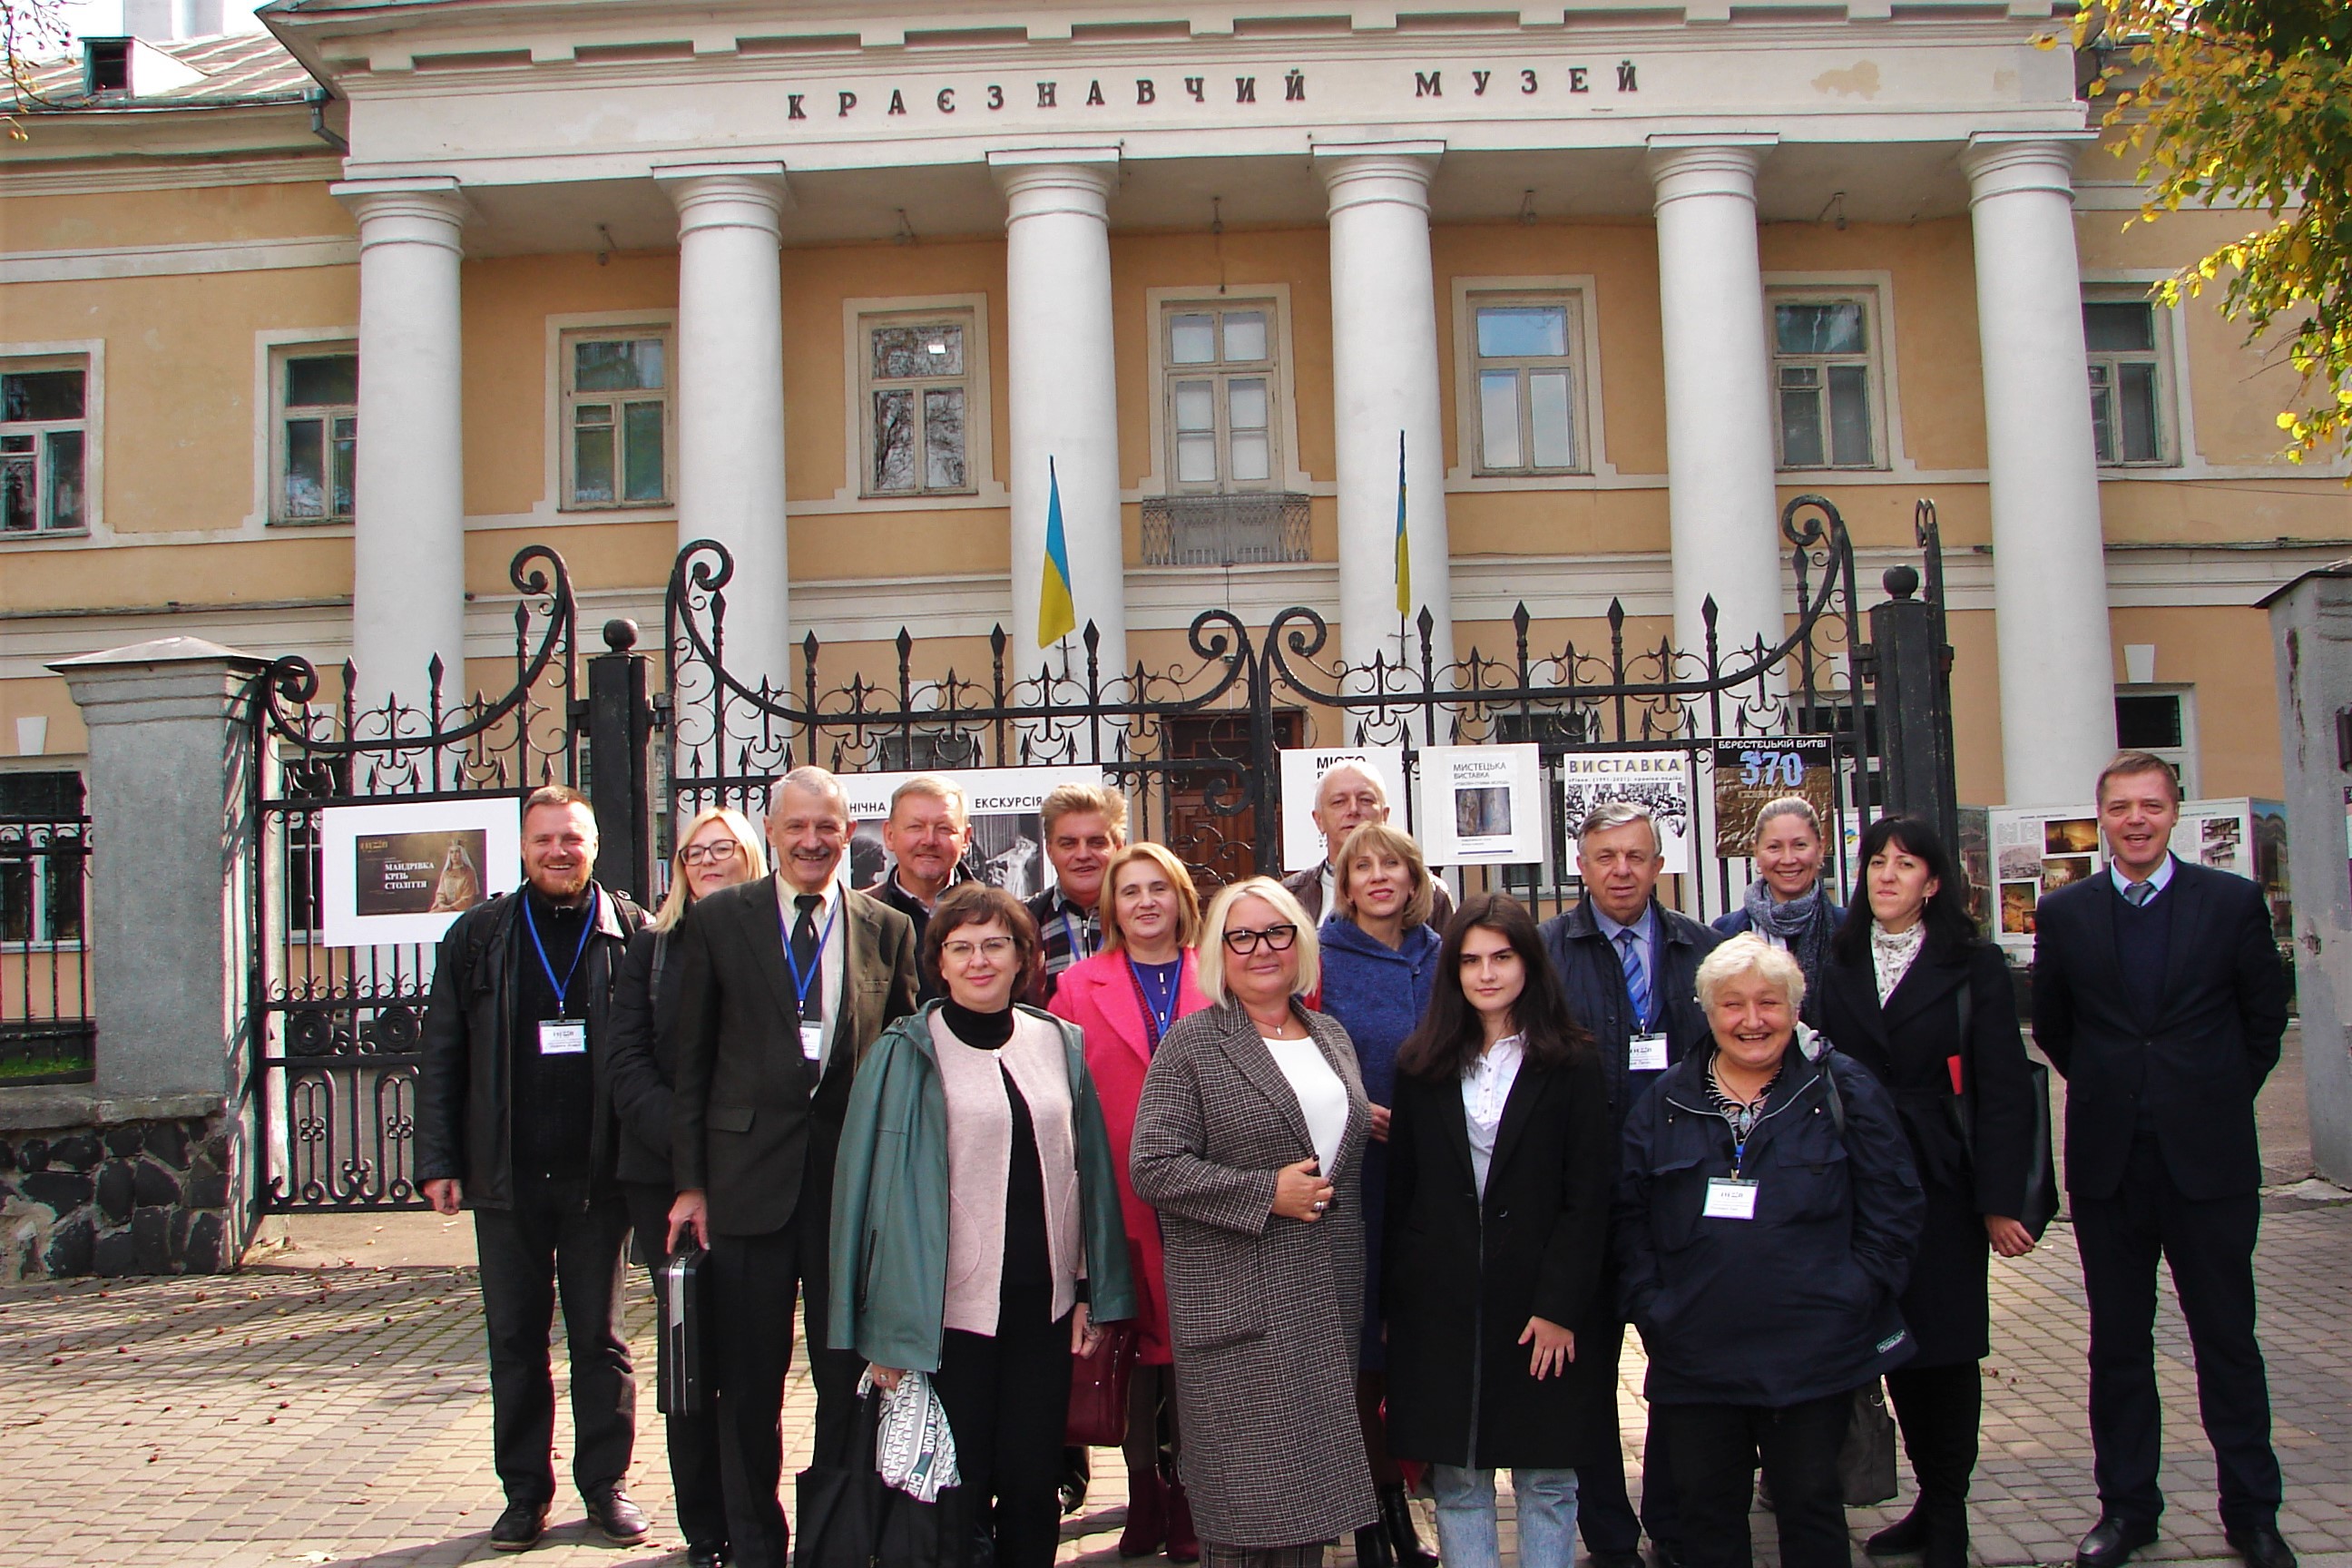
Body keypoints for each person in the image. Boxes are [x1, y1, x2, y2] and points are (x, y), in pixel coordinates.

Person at [2034, 752, 2295, 1568]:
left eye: (2151, 805)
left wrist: (2203, 1093)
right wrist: (2125, 1087)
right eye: (2120, 808)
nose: (2136, 820)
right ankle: (2127, 1508)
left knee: (2227, 1342)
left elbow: (2262, 1023)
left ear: (2175, 812)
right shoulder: (2067, 913)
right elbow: (2056, 1029)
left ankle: (2252, 1512)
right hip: (2112, 1164)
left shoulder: (2231, 902)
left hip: (2209, 1163)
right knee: (2117, 1346)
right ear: (2101, 817)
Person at [828, 883, 1137, 1568]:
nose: (978, 960)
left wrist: (1091, 1290)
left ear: (1024, 957)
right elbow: (862, 1197)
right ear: (938, 961)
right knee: (955, 1487)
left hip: (1043, 1305)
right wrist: (878, 1328)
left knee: (1032, 1485)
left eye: (995, 944)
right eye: (961, 947)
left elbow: (1089, 1173)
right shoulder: (902, 1053)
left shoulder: (1059, 1041)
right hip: (945, 1314)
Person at [666, 767, 920, 1568]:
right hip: (744, 1188)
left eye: (829, 827)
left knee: (848, 1374)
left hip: (850, 1193)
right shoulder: (720, 921)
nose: (813, 841)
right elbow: (689, 1061)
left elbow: (906, 1061)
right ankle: (753, 1540)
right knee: (747, 1386)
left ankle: (835, 1536)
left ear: (851, 833)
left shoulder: (887, 928)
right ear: (771, 832)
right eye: (797, 826)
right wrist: (691, 1182)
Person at [1616, 935, 1925, 1568]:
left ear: (1794, 1009)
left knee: (1811, 1511)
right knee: (1706, 1521)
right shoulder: (1666, 1104)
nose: (1752, 1021)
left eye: (1769, 1003)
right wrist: (1653, 1306)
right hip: (1697, 1358)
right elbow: (1626, 1217)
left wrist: (1856, 1296)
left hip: (1813, 1357)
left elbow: (1895, 1204)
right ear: (1708, 1011)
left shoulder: (1842, 1091)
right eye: (1733, 1005)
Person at [417, 784, 650, 1553]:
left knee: (602, 1342)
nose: (560, 852)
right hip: (505, 1177)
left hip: (598, 1180)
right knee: (514, 1343)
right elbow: (443, 1053)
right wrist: (439, 1160)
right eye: (545, 839)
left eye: (572, 840)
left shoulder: (632, 933)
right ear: (523, 847)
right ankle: (524, 1496)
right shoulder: (479, 935)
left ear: (594, 847)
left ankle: (605, 1487)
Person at [1131, 878, 1379, 1568]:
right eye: (1242, 936)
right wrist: (1264, 1191)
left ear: (1301, 942)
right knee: (1245, 1523)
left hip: (1323, 1303)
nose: (1262, 949)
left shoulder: (1330, 1035)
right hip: (1241, 1309)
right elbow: (1152, 1166)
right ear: (1219, 951)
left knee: (1306, 1521)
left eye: (1278, 933)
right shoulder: (1193, 1044)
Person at [1814, 815, 2038, 1568]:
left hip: (1942, 1182)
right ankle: (1920, 1501)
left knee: (1943, 1352)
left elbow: (2005, 1090)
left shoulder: (1971, 965)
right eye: (1877, 862)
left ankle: (1947, 1512)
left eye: (1905, 865)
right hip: (1857, 1183)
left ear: (1933, 882)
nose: (1886, 876)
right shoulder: (1838, 959)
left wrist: (2002, 1199)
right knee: (1891, 1346)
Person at [1383, 895, 1617, 1568]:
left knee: (1547, 1477)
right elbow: (1406, 1194)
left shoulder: (1571, 1063)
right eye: (1471, 960)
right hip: (1444, 1301)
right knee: (1458, 1478)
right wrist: (1401, 1307)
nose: (1487, 974)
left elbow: (1587, 1198)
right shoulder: (1421, 1064)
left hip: (1541, 1301)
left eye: (1502, 958)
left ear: (1529, 964)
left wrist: (1560, 1308)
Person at [1539, 799, 1723, 1568]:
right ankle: (1609, 1538)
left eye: (1636, 856)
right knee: (1584, 1387)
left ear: (1659, 864)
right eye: (1606, 856)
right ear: (1580, 864)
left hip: (1680, 1199)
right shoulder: (1547, 952)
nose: (1622, 870)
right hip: (1581, 1203)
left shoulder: (1701, 950)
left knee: (1684, 1371)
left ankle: (1674, 1526)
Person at [603, 805, 765, 1568]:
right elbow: (626, 1060)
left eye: (723, 849)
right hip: (669, 1181)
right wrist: (691, 1148)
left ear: (749, 857)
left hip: (758, 1177)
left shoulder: (773, 942)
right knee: (688, 1355)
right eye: (695, 851)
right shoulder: (653, 948)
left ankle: (752, 1515)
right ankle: (706, 1529)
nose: (707, 861)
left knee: (749, 1362)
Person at [1049, 841, 1213, 1563]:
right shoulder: (1080, 987)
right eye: (1130, 891)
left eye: (1159, 889)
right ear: (1111, 907)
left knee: (1197, 1354)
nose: (1146, 902)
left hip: (1208, 1193)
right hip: (1118, 1197)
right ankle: (1144, 1489)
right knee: (1136, 1352)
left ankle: (1193, 1494)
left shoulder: (1222, 972)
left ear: (1182, 899)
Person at [1311, 821, 1444, 1568]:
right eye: (1365, 867)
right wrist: (1355, 1105)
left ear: (1414, 877)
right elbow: (1298, 1047)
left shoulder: (1443, 953)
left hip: (1438, 1175)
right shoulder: (1323, 957)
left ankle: (1416, 1488)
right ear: (1347, 882)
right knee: (1360, 1345)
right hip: (1360, 1171)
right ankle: (1374, 1512)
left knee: (1416, 1336)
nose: (1380, 878)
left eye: (1393, 865)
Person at [1279, 760, 1455, 930]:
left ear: (1384, 816)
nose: (1353, 810)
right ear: (1319, 820)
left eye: (1365, 800)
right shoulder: (1290, 895)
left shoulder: (1432, 894)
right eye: (1339, 802)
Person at [1711, 796, 1841, 1015]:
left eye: (1800, 845)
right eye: (1774, 847)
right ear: (1757, 853)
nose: (1788, 859)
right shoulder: (1725, 932)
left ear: (1820, 849)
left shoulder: (1848, 930)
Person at [865, 773, 975, 1000]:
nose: (929, 840)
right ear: (890, 835)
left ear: (966, 839)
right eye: (915, 827)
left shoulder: (1000, 917)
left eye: (944, 829)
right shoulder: (859, 917)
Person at [1028, 780, 1127, 1005]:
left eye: (1096, 842)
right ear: (1050, 851)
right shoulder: (1026, 921)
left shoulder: (1139, 917)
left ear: (1119, 847)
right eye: (1068, 844)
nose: (1082, 854)